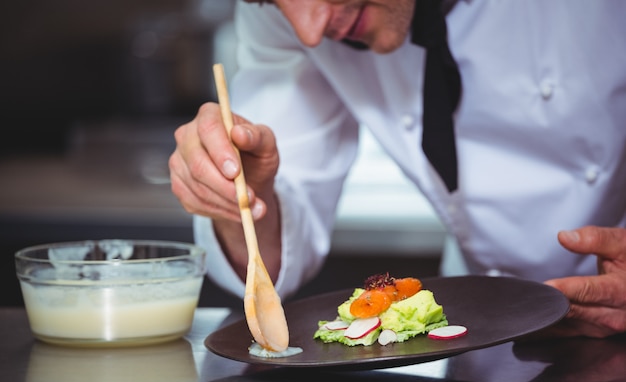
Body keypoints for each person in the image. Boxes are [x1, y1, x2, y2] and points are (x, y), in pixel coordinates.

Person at [169, 0, 626, 338]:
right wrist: (235, 193)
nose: (309, 31)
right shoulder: (296, 18)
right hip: (476, 337)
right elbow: (282, 221)